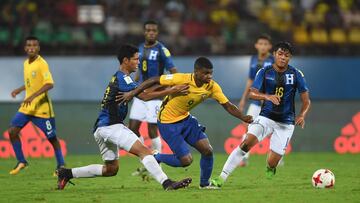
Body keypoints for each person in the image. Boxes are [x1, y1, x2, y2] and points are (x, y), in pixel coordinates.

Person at [57, 44, 191, 191]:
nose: (138, 62)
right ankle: (167, 183)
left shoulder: (120, 77)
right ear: (126, 60)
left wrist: (165, 89)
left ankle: (66, 173)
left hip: (101, 128)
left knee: (111, 169)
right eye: (135, 59)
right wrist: (172, 90)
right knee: (144, 151)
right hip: (111, 126)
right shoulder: (123, 79)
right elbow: (144, 96)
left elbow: (141, 91)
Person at [117, 57, 253, 189]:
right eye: (206, 73)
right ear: (196, 72)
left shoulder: (212, 87)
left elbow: (228, 105)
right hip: (167, 122)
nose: (209, 76)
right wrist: (133, 92)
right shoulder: (181, 79)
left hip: (186, 119)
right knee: (186, 161)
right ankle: (155, 156)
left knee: (207, 151)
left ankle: (205, 184)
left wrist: (243, 117)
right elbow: (154, 79)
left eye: (211, 73)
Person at [211, 42, 311, 187]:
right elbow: (252, 93)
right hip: (266, 117)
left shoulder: (296, 74)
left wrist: (302, 115)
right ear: (275, 54)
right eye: (280, 54)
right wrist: (267, 96)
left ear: (290, 58)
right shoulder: (264, 72)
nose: (283, 58)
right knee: (245, 144)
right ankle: (221, 178)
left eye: (286, 55)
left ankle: (271, 167)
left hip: (286, 123)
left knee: (272, 162)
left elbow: (306, 100)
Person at [7, 36, 65, 175]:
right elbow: (31, 84)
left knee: (52, 138)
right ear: (25, 48)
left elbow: (49, 84)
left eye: (34, 45)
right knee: (12, 131)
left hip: (42, 109)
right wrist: (20, 89)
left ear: (38, 48)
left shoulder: (42, 64)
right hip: (27, 108)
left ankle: (61, 166)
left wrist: (33, 96)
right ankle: (22, 161)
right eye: (29, 45)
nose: (31, 47)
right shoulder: (26, 63)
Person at [129, 20, 177, 153]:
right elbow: (139, 68)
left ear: (157, 33)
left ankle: (157, 161)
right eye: (148, 30)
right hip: (140, 93)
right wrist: (135, 82)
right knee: (132, 128)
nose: (151, 33)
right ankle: (145, 158)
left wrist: (169, 89)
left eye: (153, 31)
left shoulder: (162, 50)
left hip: (155, 95)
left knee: (152, 129)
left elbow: (173, 71)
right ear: (144, 32)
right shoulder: (139, 48)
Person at [238, 34, 275, 167]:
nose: (263, 46)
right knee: (247, 126)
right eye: (261, 44)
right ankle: (243, 158)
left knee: (275, 129)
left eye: (266, 44)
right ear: (256, 45)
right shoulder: (253, 59)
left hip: (270, 101)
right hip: (255, 101)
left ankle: (276, 158)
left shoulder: (274, 60)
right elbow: (250, 81)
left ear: (270, 46)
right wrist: (243, 99)